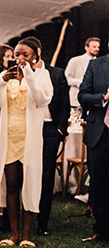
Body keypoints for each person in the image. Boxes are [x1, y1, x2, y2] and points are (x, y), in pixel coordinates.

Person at [0, 38, 53, 247]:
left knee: (30, 184)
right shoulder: (7, 77)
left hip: (30, 138)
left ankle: (26, 235)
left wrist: (29, 75)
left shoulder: (42, 75)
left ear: (36, 55)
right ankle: (13, 234)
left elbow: (43, 99)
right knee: (12, 185)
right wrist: (0, 81)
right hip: (10, 137)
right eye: (17, 55)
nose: (20, 58)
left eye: (25, 54)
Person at [32, 39, 70, 237]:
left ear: (37, 52)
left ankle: (42, 223)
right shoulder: (21, 75)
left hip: (49, 129)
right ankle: (19, 219)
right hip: (28, 129)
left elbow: (65, 103)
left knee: (46, 174)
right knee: (25, 173)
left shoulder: (56, 73)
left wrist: (60, 131)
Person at [78, 50, 109, 242]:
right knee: (99, 182)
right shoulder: (96, 65)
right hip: (100, 132)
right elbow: (83, 95)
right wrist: (104, 97)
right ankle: (102, 229)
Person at [65, 37, 100, 108]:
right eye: (94, 47)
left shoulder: (100, 63)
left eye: (98, 47)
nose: (97, 49)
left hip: (94, 102)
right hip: (76, 101)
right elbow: (66, 79)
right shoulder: (75, 60)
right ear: (86, 47)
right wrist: (82, 82)